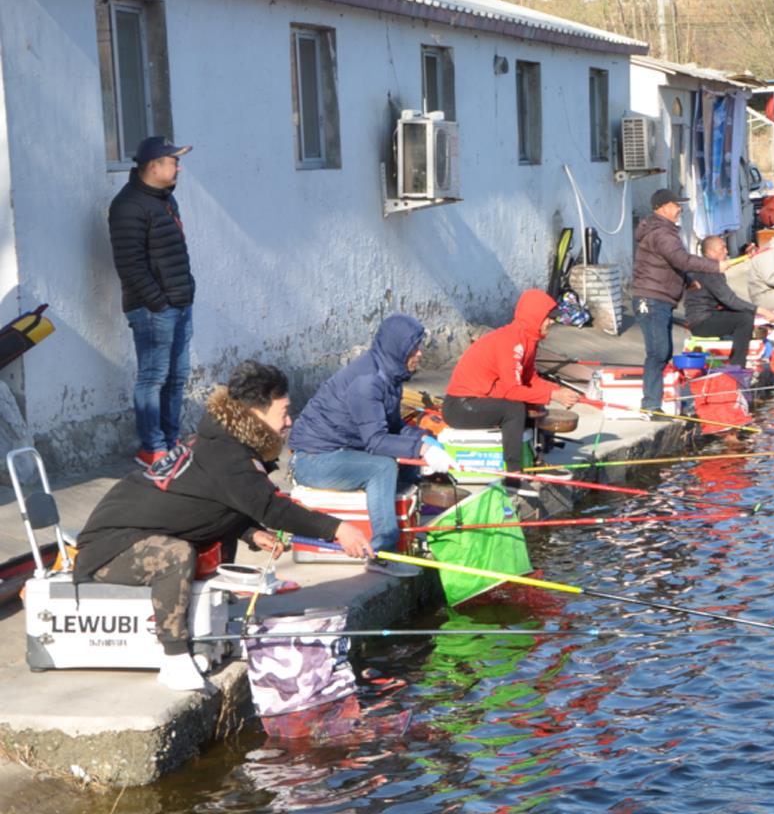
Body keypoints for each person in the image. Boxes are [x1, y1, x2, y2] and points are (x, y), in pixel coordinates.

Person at [74, 361, 374, 691]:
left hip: (142, 531)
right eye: (284, 412)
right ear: (255, 414)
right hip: (110, 547)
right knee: (175, 554)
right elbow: (273, 508)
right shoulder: (228, 454)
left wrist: (249, 531)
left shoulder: (224, 441)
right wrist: (338, 529)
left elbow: (211, 499)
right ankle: (173, 656)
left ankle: (207, 633)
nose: (290, 422)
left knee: (209, 542)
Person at [288, 315, 451, 578]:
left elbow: (394, 426)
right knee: (383, 467)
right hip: (312, 459)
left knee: (408, 467)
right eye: (415, 348)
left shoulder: (392, 376)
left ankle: (408, 529)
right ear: (398, 347)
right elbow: (376, 441)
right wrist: (422, 450)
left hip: (344, 451)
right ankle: (383, 553)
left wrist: (425, 440)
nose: (420, 353)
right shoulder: (368, 381)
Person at [109, 136, 196, 471]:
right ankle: (152, 448)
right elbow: (130, 265)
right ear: (154, 166)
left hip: (180, 303)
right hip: (152, 310)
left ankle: (171, 443)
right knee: (153, 376)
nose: (178, 166)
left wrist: (186, 292)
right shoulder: (128, 206)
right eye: (173, 160)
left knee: (177, 376)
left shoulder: (165, 200)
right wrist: (158, 303)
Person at [444, 289, 581, 487]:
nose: (552, 322)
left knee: (534, 401)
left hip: (480, 400)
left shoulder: (529, 340)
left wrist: (557, 390)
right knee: (514, 408)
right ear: (535, 317)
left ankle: (535, 459)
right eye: (548, 318)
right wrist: (552, 395)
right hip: (460, 406)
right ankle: (513, 475)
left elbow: (530, 380)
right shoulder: (511, 341)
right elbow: (512, 391)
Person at [632, 188, 733, 413]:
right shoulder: (662, 234)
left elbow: (671, 264)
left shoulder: (664, 232)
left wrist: (687, 281)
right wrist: (715, 266)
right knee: (657, 352)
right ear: (664, 207)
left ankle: (655, 400)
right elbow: (681, 259)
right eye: (677, 205)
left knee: (664, 351)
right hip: (650, 299)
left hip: (661, 299)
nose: (680, 209)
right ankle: (650, 404)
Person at [684, 235, 774, 368]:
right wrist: (762, 311)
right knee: (745, 319)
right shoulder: (711, 271)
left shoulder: (703, 267)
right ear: (711, 252)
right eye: (723, 248)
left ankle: (736, 352)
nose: (727, 252)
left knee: (740, 313)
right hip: (702, 322)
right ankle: (738, 365)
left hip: (701, 318)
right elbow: (730, 300)